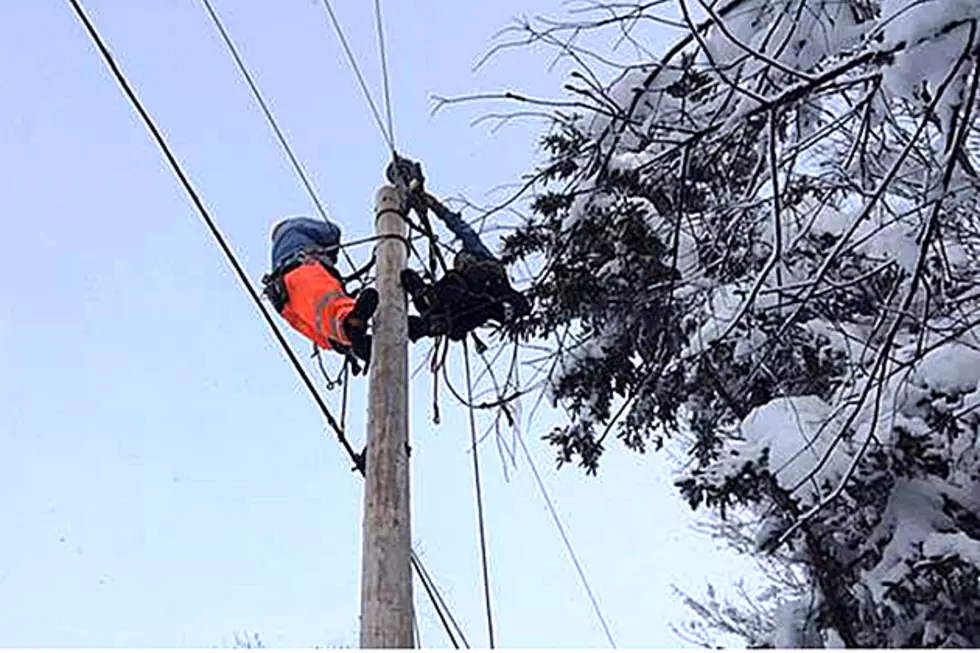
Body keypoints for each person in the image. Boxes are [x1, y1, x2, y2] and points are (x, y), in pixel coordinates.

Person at [386, 157, 530, 343]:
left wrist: (435, 206)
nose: (460, 264)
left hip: (484, 294)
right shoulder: (461, 282)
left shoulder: (483, 263)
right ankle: (427, 313)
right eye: (459, 262)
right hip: (462, 302)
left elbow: (462, 229)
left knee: (466, 304)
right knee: (450, 305)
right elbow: (459, 229)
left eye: (462, 261)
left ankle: (429, 315)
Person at [262, 217, 378, 367]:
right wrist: (330, 255)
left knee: (319, 326)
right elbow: (331, 232)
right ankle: (350, 324)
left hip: (284, 299)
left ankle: (344, 340)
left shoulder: (279, 253)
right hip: (302, 271)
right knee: (329, 305)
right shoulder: (293, 228)